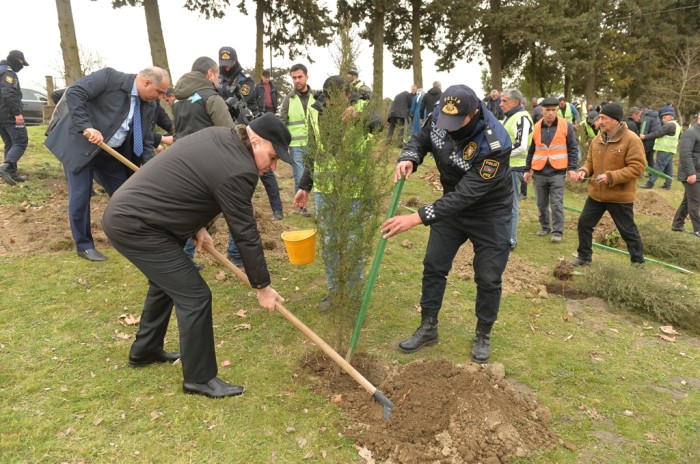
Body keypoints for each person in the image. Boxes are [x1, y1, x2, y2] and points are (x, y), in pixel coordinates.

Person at [102, 114, 291, 398]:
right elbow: (244, 231)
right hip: (137, 225)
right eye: (273, 157)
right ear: (255, 141)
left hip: (139, 217)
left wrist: (198, 226)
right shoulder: (240, 168)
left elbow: (193, 184)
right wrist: (262, 286)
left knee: (166, 283)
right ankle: (199, 378)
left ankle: (146, 350)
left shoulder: (221, 137)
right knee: (194, 295)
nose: (272, 167)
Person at [380, 84, 513, 363]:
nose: (448, 127)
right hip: (451, 205)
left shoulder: (495, 143)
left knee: (488, 277)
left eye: (456, 122)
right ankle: (428, 326)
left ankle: (483, 332)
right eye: (445, 120)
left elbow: (467, 195)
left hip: (490, 213)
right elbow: (421, 139)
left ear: (474, 113)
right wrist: (409, 157)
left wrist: (417, 217)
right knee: (433, 265)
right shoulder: (440, 116)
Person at [45, 66, 170, 261]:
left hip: (110, 152)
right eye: (159, 92)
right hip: (82, 145)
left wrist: (152, 171)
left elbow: (145, 139)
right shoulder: (110, 78)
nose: (161, 97)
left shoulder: (149, 104)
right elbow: (76, 92)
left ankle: (133, 238)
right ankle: (84, 245)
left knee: (124, 193)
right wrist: (86, 126)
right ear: (146, 83)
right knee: (81, 195)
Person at [293, 76, 378, 312]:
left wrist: (359, 117)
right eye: (331, 101)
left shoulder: (360, 106)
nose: (335, 105)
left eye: (340, 99)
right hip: (324, 190)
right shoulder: (315, 111)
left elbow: (379, 125)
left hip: (354, 189)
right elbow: (312, 150)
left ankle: (353, 293)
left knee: (352, 242)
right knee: (329, 243)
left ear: (347, 94)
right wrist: (304, 186)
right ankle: (334, 291)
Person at [572, 103, 646, 266]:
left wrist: (611, 176)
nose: (600, 121)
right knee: (584, 224)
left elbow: (637, 168)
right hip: (596, 195)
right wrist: (584, 171)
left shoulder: (631, 140)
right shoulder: (597, 139)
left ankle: (638, 262)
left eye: (603, 118)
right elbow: (590, 162)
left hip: (619, 196)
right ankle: (584, 257)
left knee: (627, 231)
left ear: (615, 120)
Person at [218, 46, 283, 222]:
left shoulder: (245, 80)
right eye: (224, 64)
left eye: (229, 64)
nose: (227, 68)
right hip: (229, 128)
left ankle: (277, 209)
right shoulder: (218, 79)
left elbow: (240, 100)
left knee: (265, 167)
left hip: (249, 126)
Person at [523, 97, 579, 243]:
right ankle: (545, 227)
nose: (550, 113)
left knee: (556, 204)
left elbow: (573, 148)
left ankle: (558, 231)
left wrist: (572, 168)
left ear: (557, 110)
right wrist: (527, 169)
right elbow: (532, 149)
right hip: (539, 172)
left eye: (553, 110)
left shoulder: (566, 126)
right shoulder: (536, 126)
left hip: (557, 172)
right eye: (547, 110)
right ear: (542, 110)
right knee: (541, 204)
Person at [279, 63, 317, 216]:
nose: (297, 80)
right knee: (300, 176)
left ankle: (320, 205)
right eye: (294, 78)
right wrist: (284, 143)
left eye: (300, 77)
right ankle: (302, 207)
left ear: (306, 77)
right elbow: (282, 121)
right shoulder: (289, 98)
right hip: (295, 145)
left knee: (317, 176)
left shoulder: (317, 96)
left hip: (315, 144)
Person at [499, 88, 533, 250]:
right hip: (506, 166)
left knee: (511, 204)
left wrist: (499, 154)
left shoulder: (522, 118)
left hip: (515, 168)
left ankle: (511, 240)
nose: (501, 104)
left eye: (505, 101)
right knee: (501, 203)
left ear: (516, 102)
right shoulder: (510, 117)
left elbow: (521, 145)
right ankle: (502, 235)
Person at [0, 50, 30, 185]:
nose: (22, 66)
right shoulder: (8, 72)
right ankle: (5, 167)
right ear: (18, 59)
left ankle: (11, 174)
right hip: (8, 114)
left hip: (1, 115)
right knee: (21, 141)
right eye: (22, 63)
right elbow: (8, 94)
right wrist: (17, 113)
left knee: (10, 143)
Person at [671, 112, 700, 237]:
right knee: (695, 201)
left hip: (697, 172)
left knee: (687, 200)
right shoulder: (690, 133)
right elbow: (685, 154)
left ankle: (677, 224)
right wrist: (691, 173)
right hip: (691, 173)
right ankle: (698, 229)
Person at [640, 106, 681, 190]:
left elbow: (658, 133)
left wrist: (645, 136)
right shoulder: (677, 125)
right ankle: (668, 184)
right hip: (670, 150)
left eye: (664, 117)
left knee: (657, 167)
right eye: (662, 117)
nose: (662, 119)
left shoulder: (669, 125)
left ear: (671, 116)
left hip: (664, 150)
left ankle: (650, 183)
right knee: (668, 168)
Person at [152, 87, 174, 153]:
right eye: (160, 93)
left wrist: (173, 129)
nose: (161, 97)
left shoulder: (155, 102)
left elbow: (162, 118)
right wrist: (160, 139)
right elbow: (140, 131)